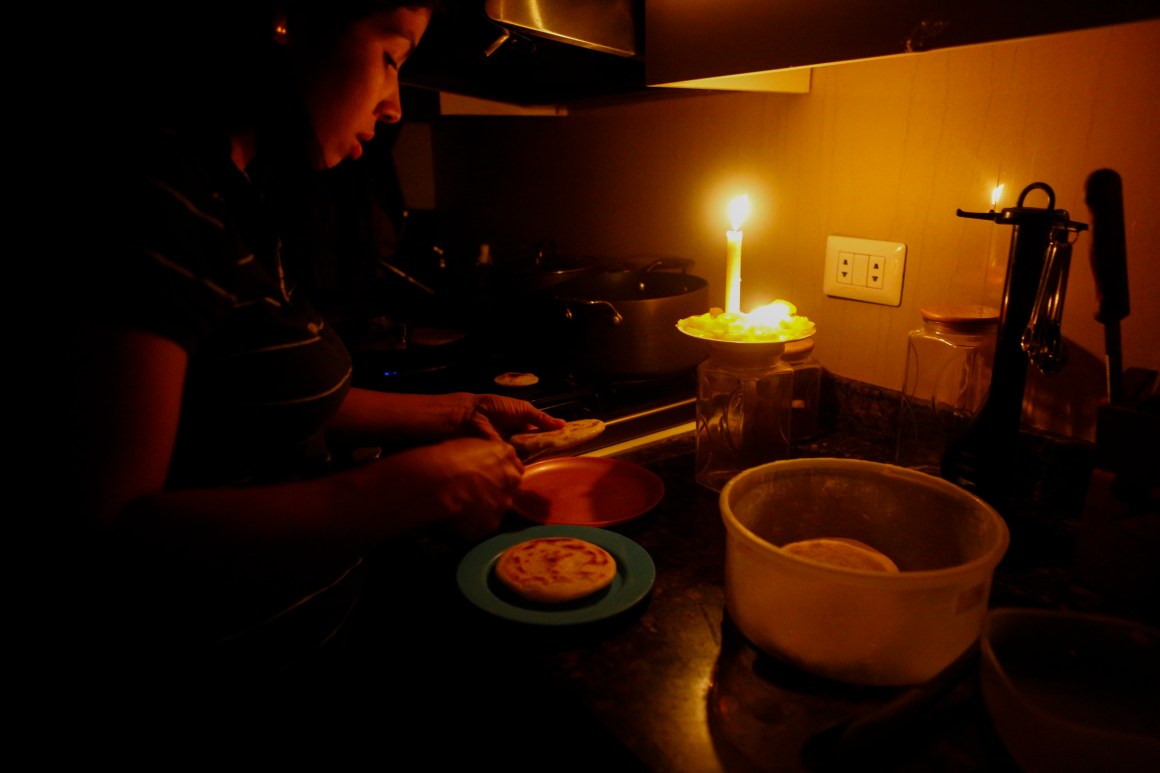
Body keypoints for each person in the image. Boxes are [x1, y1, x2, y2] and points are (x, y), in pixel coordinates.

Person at [62, 0, 564, 723]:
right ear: (288, 20)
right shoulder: (156, 199)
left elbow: (258, 396)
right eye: (392, 57)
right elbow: (111, 533)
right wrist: (398, 490)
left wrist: (457, 409)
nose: (395, 106)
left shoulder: (240, 195)